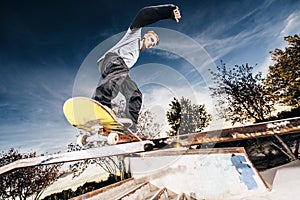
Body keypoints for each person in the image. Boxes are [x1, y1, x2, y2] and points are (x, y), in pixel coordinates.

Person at [92, 4, 181, 132]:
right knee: (119, 73)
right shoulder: (134, 34)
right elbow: (143, 14)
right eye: (151, 39)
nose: (150, 44)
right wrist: (168, 11)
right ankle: (100, 103)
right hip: (112, 61)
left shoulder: (136, 54)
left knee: (135, 94)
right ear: (145, 36)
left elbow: (119, 74)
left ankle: (130, 126)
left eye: (153, 44)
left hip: (119, 70)